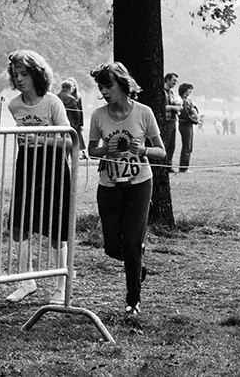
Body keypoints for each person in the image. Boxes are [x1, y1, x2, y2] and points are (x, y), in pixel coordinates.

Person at [87, 62, 166, 320]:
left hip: (139, 185)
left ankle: (133, 301)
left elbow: (161, 151)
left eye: (108, 86)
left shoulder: (144, 113)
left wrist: (140, 150)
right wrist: (106, 149)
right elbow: (91, 150)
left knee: (132, 242)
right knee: (112, 247)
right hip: (109, 187)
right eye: (100, 87)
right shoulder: (99, 115)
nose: (104, 91)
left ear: (122, 85)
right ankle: (137, 265)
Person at [4, 50, 71, 305]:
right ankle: (26, 281)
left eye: (25, 74)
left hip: (53, 167)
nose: (19, 79)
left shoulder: (52, 102)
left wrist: (40, 138)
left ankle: (60, 286)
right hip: (27, 166)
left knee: (56, 230)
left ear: (37, 74)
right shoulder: (14, 105)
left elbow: (68, 139)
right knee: (19, 225)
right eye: (16, 74)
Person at [57, 78, 87, 158]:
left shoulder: (56, 97)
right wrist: (78, 124)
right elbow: (77, 113)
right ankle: (74, 166)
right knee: (73, 145)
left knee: (63, 146)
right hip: (72, 125)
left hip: (59, 125)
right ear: (70, 88)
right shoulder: (72, 99)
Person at [177, 82, 199, 173]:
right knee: (186, 146)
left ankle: (185, 166)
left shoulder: (188, 100)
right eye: (189, 89)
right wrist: (193, 120)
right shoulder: (182, 101)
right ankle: (183, 168)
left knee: (189, 146)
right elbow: (185, 113)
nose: (190, 91)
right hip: (185, 124)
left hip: (188, 125)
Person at [161, 72, 181, 173]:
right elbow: (162, 107)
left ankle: (169, 166)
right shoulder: (162, 92)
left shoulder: (171, 93)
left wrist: (177, 107)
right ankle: (162, 165)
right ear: (167, 79)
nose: (175, 83)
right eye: (173, 80)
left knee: (172, 145)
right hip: (166, 121)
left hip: (173, 121)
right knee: (166, 143)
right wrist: (174, 107)